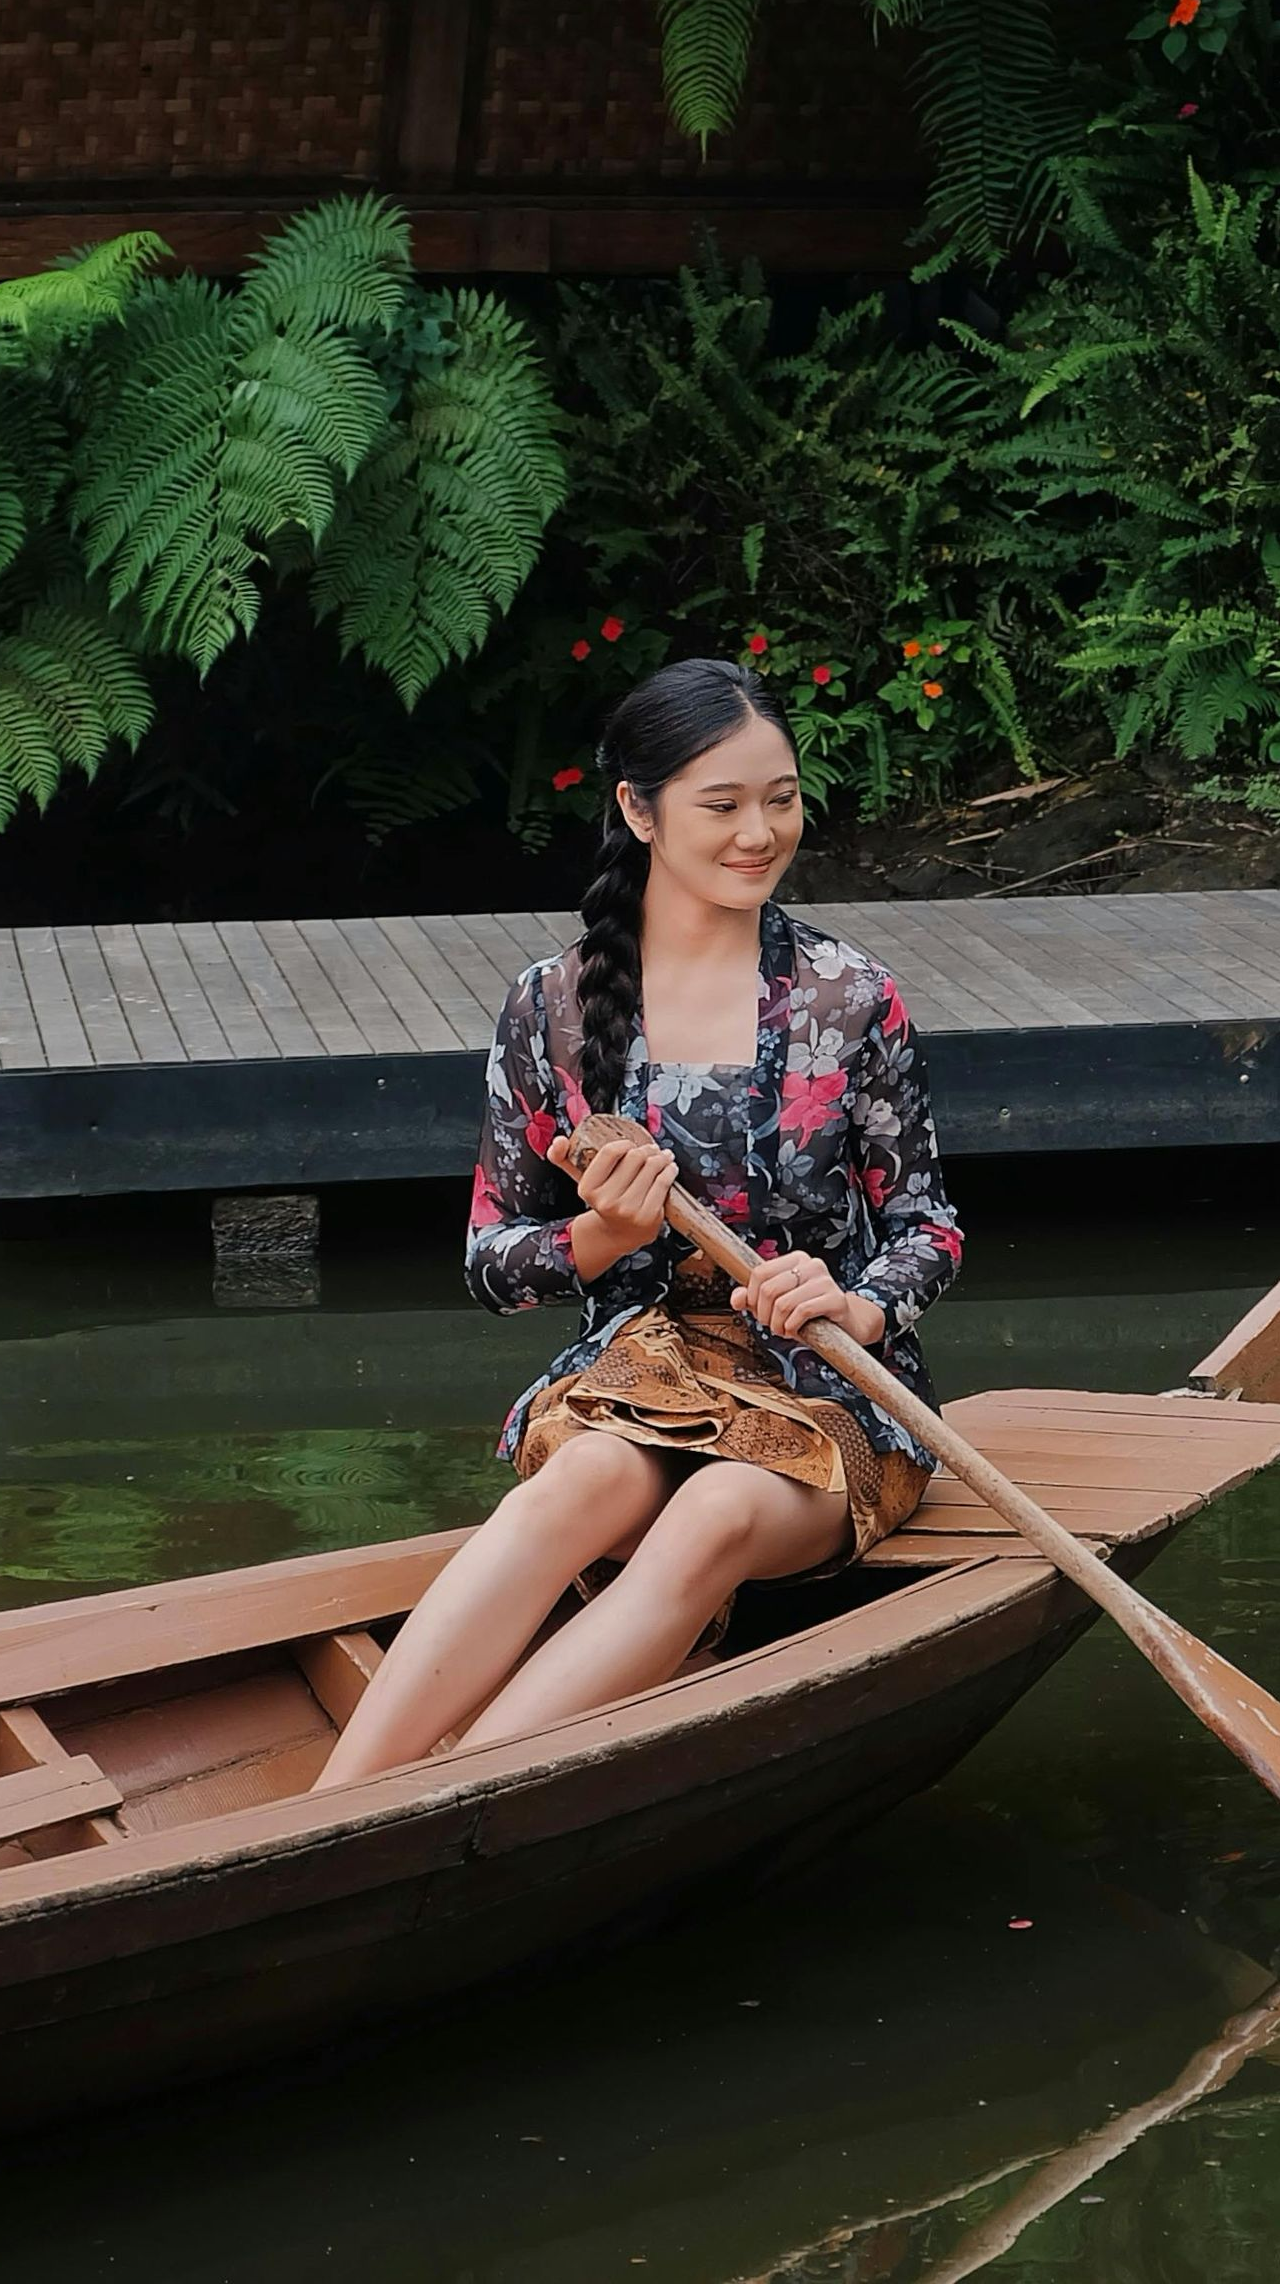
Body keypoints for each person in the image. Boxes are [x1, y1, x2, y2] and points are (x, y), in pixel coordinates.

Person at [313, 657, 961, 1791]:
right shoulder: (551, 1006)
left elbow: (928, 1225)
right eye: (723, 804)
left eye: (782, 797)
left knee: (711, 1510)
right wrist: (597, 1240)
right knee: (577, 1488)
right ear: (637, 808)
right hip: (637, 1372)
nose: (761, 832)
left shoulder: (849, 996)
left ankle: (444, 1793)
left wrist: (849, 1297)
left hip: (826, 1384)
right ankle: (334, 1804)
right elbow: (491, 1263)